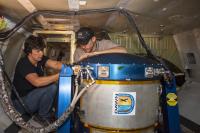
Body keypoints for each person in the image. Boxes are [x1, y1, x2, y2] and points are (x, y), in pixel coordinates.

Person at [11, 35, 63, 124]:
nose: (41, 53)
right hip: (21, 103)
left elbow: (56, 65)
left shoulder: (40, 59)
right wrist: (60, 75)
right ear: (29, 52)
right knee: (52, 87)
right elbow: (37, 82)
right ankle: (43, 116)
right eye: (37, 51)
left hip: (32, 97)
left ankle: (54, 112)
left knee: (55, 85)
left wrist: (71, 67)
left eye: (42, 50)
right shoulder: (24, 63)